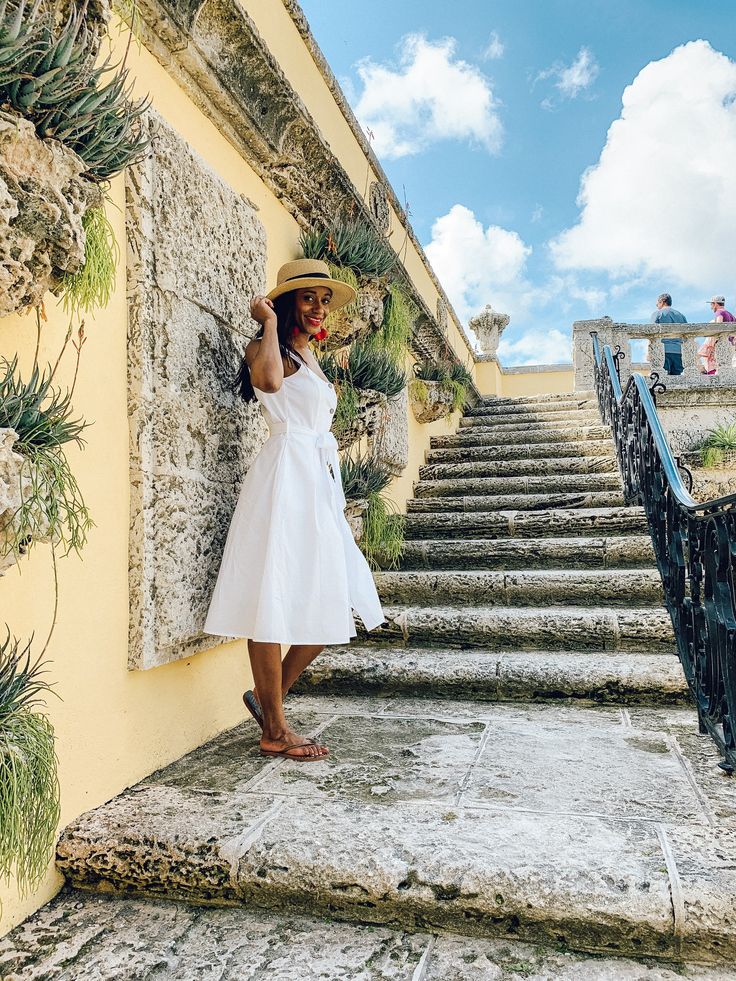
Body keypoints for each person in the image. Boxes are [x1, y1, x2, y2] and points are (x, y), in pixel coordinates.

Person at [204, 258, 385, 761]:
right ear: (286, 302)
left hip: (318, 480)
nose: (318, 308)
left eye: (324, 300)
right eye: (308, 298)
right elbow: (265, 383)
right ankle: (275, 731)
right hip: (284, 476)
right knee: (272, 594)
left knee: (337, 591)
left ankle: (270, 702)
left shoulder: (311, 357)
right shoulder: (271, 349)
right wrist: (266, 324)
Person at [650, 293, 686, 375]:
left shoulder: (657, 314)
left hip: (663, 351)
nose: (656, 305)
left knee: (661, 381)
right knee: (677, 381)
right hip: (679, 352)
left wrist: (649, 352)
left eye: (658, 303)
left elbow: (651, 334)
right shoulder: (681, 315)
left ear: (662, 302)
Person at [699, 296, 736, 374]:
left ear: (715, 304)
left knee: (717, 369)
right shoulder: (731, 315)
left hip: (720, 345)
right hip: (729, 345)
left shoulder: (719, 312)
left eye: (711, 304)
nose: (711, 307)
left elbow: (718, 327)